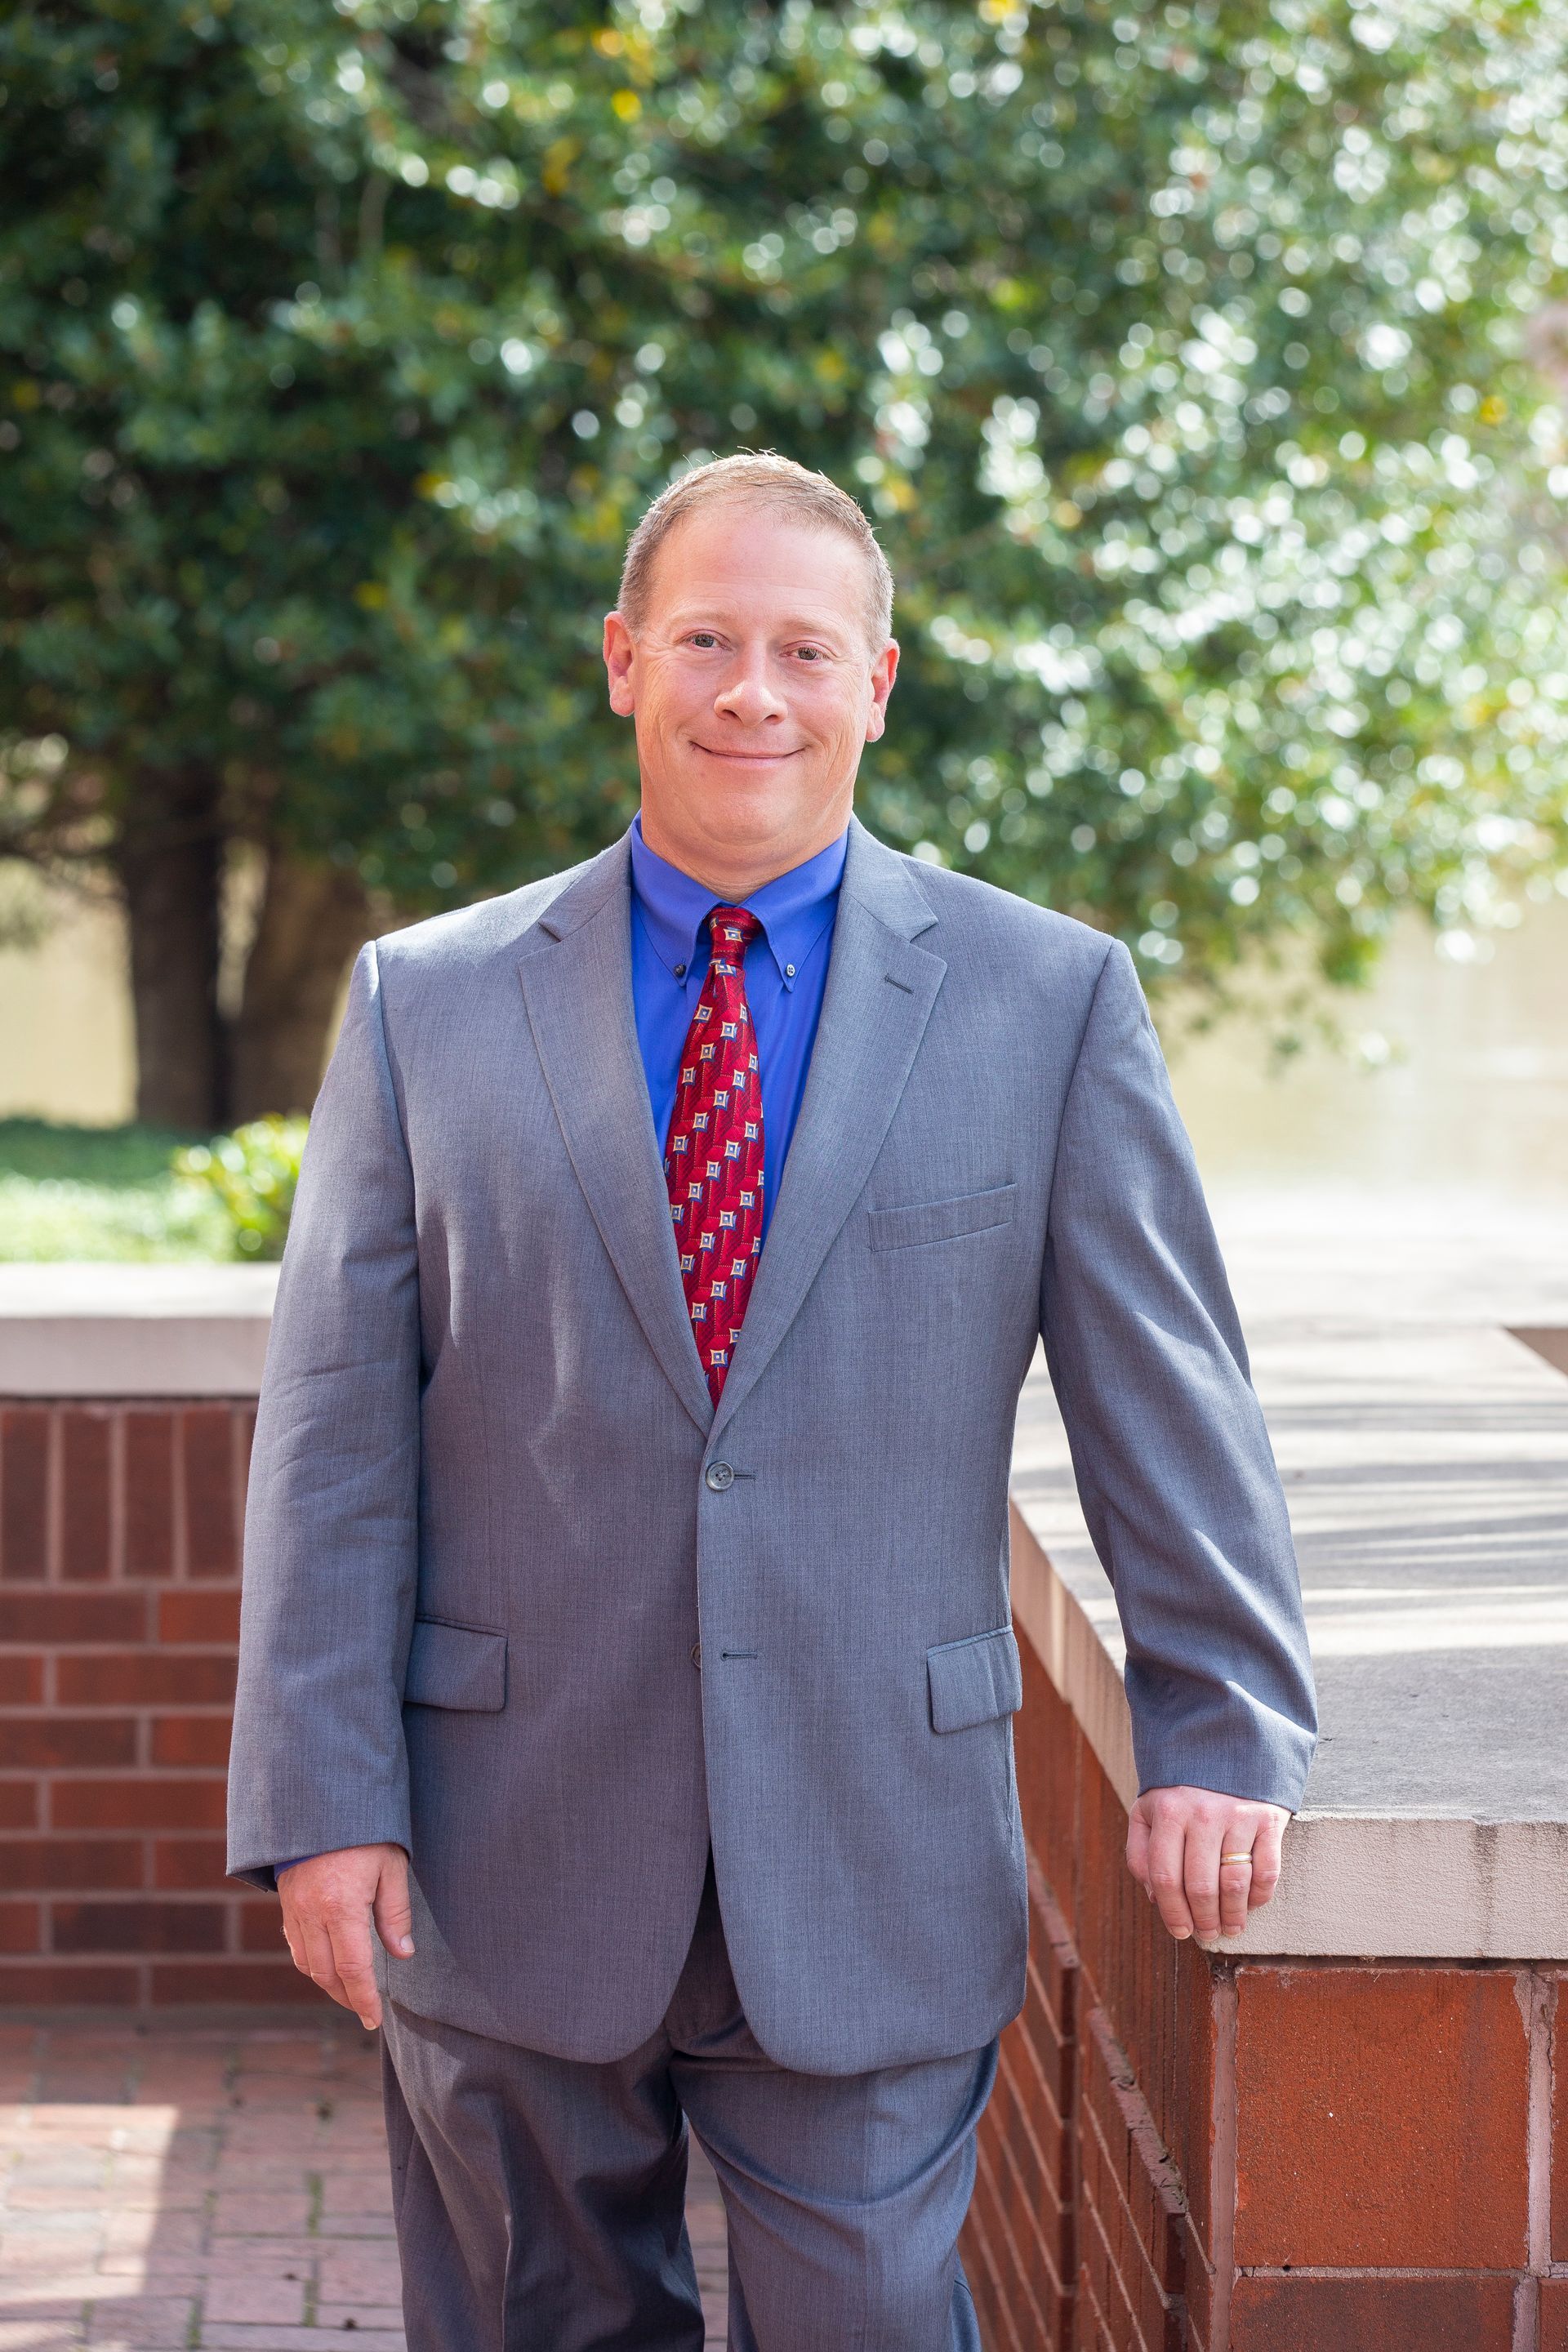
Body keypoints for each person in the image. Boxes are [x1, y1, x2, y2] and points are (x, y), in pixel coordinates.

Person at [228, 452, 1316, 2351]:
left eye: (804, 648)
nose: (755, 690)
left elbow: (1170, 1393)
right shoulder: (431, 1002)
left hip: (878, 1842)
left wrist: (1219, 1722)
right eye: (710, 640)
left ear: (875, 684)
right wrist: (324, 1796)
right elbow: (336, 1433)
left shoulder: (1042, 998)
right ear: (623, 662)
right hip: (507, 1838)